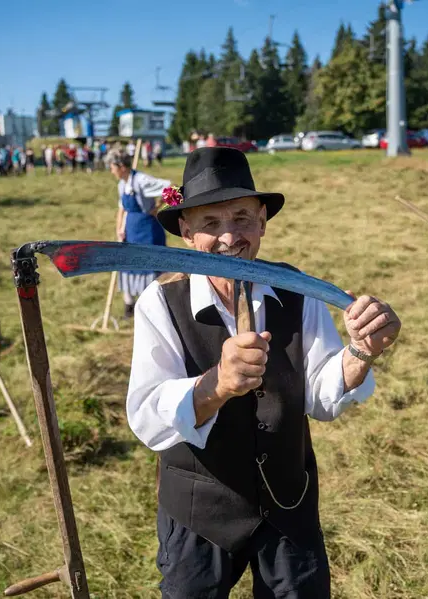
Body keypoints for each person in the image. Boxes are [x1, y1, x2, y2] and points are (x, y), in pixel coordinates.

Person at [126, 147, 402, 598]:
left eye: (241, 218)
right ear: (186, 231)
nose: (229, 237)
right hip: (200, 513)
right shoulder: (160, 303)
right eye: (211, 224)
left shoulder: (298, 289)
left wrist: (360, 351)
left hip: (287, 504)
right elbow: (147, 417)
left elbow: (321, 396)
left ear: (262, 222)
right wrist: (215, 385)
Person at [110, 154, 172, 317]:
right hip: (130, 230)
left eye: (112, 167)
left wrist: (158, 207)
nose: (111, 171)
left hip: (148, 231)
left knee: (149, 266)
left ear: (122, 167)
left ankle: (155, 307)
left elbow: (172, 187)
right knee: (128, 265)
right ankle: (129, 306)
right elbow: (122, 209)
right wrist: (119, 229)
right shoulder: (122, 185)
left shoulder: (142, 181)